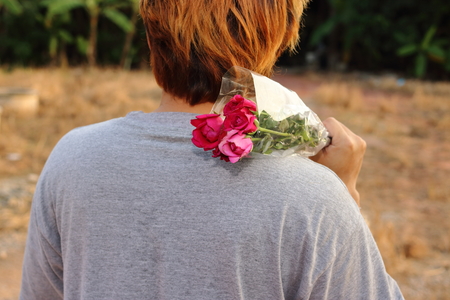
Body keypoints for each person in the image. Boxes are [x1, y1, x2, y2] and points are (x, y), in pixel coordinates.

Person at [20, 0, 404, 299]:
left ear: (152, 31)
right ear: (282, 33)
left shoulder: (72, 158)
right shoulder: (312, 197)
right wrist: (344, 190)